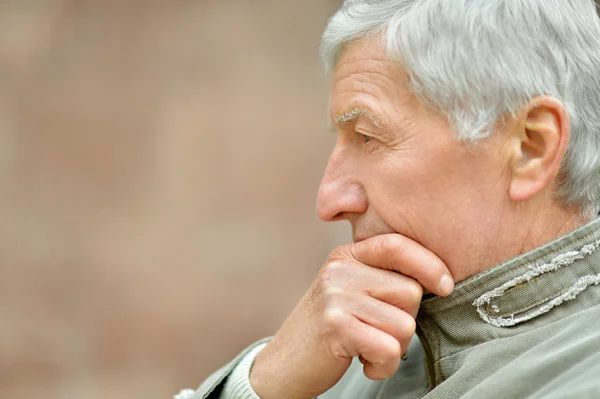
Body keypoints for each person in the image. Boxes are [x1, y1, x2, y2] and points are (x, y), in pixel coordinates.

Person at [177, 0, 600, 398]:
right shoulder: (343, 363)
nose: (330, 201)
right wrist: (260, 383)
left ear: (531, 147)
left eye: (367, 136)